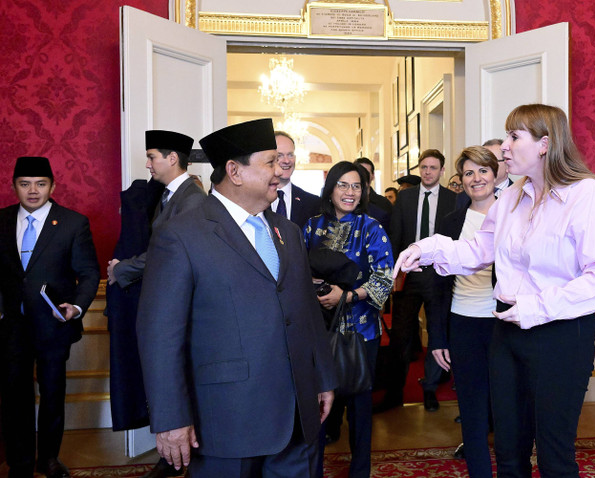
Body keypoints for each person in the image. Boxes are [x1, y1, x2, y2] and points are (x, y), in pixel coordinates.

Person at [394, 104, 595, 478]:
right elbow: (477, 251)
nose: (503, 148)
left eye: (514, 137)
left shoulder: (587, 195)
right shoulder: (511, 198)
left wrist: (535, 307)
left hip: (560, 334)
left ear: (545, 144)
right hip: (507, 332)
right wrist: (426, 248)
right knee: (508, 451)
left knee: (554, 455)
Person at [136, 118, 337, 478]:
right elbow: (160, 335)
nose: (281, 171)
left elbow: (304, 310)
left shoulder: (286, 231)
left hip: (296, 415)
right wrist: (170, 418)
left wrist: (322, 377)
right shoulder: (181, 234)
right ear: (235, 171)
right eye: (271, 162)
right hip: (226, 421)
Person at [106, 130, 206, 478]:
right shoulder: (168, 196)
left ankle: (180, 458)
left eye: (152, 157)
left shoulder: (191, 198)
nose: (147, 164)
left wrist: (123, 269)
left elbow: (168, 254)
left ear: (173, 158)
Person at [0, 157, 100, 478]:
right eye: (25, 184)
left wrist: (77, 307)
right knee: (15, 397)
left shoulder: (72, 223)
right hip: (11, 326)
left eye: (40, 184)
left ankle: (49, 459)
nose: (33, 191)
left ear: (53, 186)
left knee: (53, 394)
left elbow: (88, 273)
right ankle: (20, 463)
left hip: (54, 325)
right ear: (14, 186)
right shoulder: (0, 221)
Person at [304, 161, 393, 478]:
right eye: (343, 184)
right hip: (317, 331)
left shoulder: (372, 228)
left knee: (359, 408)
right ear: (330, 188)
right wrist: (318, 288)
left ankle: (360, 471)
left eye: (357, 186)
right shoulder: (311, 226)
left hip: (360, 332)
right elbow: (297, 271)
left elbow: (385, 279)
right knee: (316, 406)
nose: (350, 192)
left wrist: (347, 295)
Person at [430, 146, 499, 478]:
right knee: (471, 410)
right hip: (463, 323)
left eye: (483, 171)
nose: (477, 179)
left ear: (496, 174)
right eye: (469, 173)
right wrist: (438, 337)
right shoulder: (451, 221)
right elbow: (438, 286)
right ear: (461, 180)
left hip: (505, 324)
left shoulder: (515, 215)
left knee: (508, 408)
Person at [379, 149, 457, 413]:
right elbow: (396, 235)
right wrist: (395, 272)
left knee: (437, 333)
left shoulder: (452, 199)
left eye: (433, 168)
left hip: (439, 276)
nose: (427, 172)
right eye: (424, 167)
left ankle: (430, 389)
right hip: (409, 276)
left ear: (442, 171)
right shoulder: (406, 197)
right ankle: (394, 392)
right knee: (401, 336)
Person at [270, 130, 321, 229]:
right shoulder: (255, 200)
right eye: (279, 155)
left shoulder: (314, 203)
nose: (287, 161)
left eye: (290, 155)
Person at [457, 138, 512, 209]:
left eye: (493, 161)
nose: (477, 178)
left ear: (507, 164)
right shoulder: (460, 199)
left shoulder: (522, 195)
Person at [353, 157, 392, 233]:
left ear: (373, 175)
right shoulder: (345, 205)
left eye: (366, 172)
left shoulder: (384, 204)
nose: (362, 176)